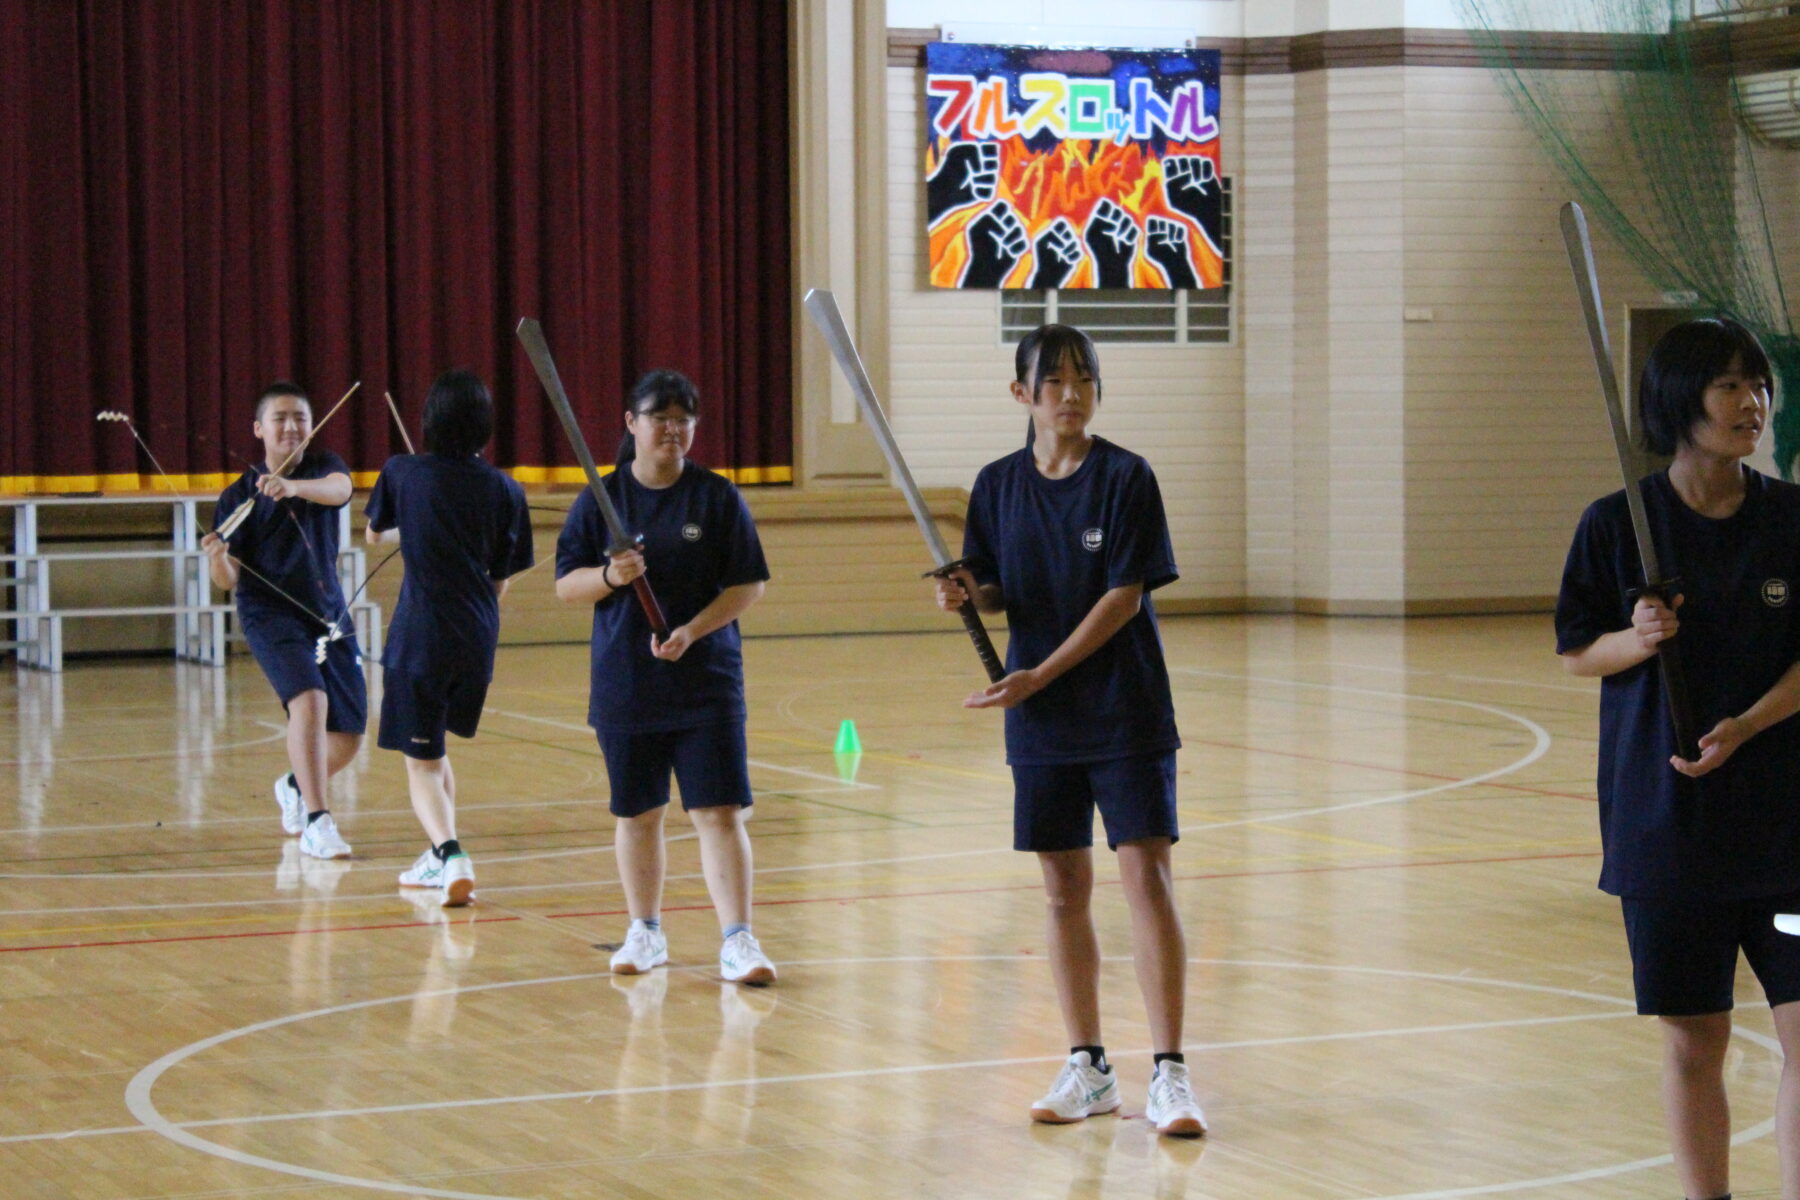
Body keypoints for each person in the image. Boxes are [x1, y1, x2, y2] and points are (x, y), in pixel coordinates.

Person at [932, 324, 1205, 1137]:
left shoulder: (1126, 478)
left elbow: (1124, 597)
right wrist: (965, 595)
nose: (1072, 394)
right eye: (1053, 382)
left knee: (1145, 881)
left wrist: (1040, 674)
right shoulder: (996, 486)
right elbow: (994, 592)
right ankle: (1088, 1067)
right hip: (1041, 721)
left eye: (1084, 378)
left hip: (1124, 710)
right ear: (1022, 395)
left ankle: (1171, 1074)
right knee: (1061, 891)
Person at [1557, 316, 1800, 1200]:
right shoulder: (1616, 525)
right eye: (1730, 386)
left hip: (1785, 839)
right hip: (1668, 833)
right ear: (1678, 402)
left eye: (1758, 385)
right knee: (1694, 1042)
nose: (1753, 403)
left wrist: (1746, 724)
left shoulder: (1791, 519)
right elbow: (1578, 650)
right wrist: (1636, 635)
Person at [554, 369, 775, 985]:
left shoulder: (717, 496)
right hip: (627, 681)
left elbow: (747, 583)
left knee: (719, 813)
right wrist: (611, 578)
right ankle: (644, 931)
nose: (673, 430)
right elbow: (566, 584)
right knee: (639, 812)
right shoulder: (601, 499)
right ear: (632, 423)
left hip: (706, 681)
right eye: (660, 418)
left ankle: (738, 940)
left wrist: (694, 631)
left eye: (684, 420)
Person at [365, 369, 534, 907]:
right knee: (434, 753)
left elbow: (373, 534)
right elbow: (500, 581)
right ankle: (436, 857)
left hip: (420, 640)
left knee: (419, 764)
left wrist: (410, 525)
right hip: (479, 639)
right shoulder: (508, 489)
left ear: (430, 420)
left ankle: (453, 852)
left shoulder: (403, 472)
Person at [201, 381, 362, 860]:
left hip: (327, 611)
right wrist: (216, 557)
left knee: (349, 737)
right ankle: (318, 820)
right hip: (270, 615)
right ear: (259, 429)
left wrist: (292, 487)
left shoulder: (323, 468)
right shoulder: (237, 498)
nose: (291, 426)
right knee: (309, 701)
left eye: (300, 418)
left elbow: (341, 491)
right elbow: (227, 580)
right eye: (280, 418)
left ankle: (294, 785)